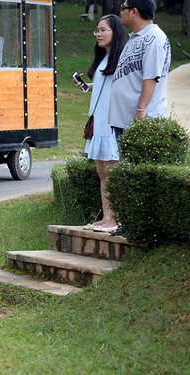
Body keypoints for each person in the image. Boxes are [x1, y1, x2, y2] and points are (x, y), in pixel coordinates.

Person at [77, 14, 127, 233]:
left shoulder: (123, 58)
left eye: (103, 30)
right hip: (98, 120)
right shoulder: (103, 58)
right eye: (97, 30)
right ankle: (107, 217)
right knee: (101, 171)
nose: (98, 34)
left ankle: (115, 218)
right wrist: (88, 86)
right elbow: (103, 85)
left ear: (115, 32)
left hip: (112, 121)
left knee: (112, 171)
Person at [108, 0, 171, 134]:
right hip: (125, 120)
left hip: (141, 122)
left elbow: (151, 77)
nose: (121, 12)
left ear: (134, 11)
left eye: (124, 8)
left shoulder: (154, 38)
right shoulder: (136, 38)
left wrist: (141, 110)